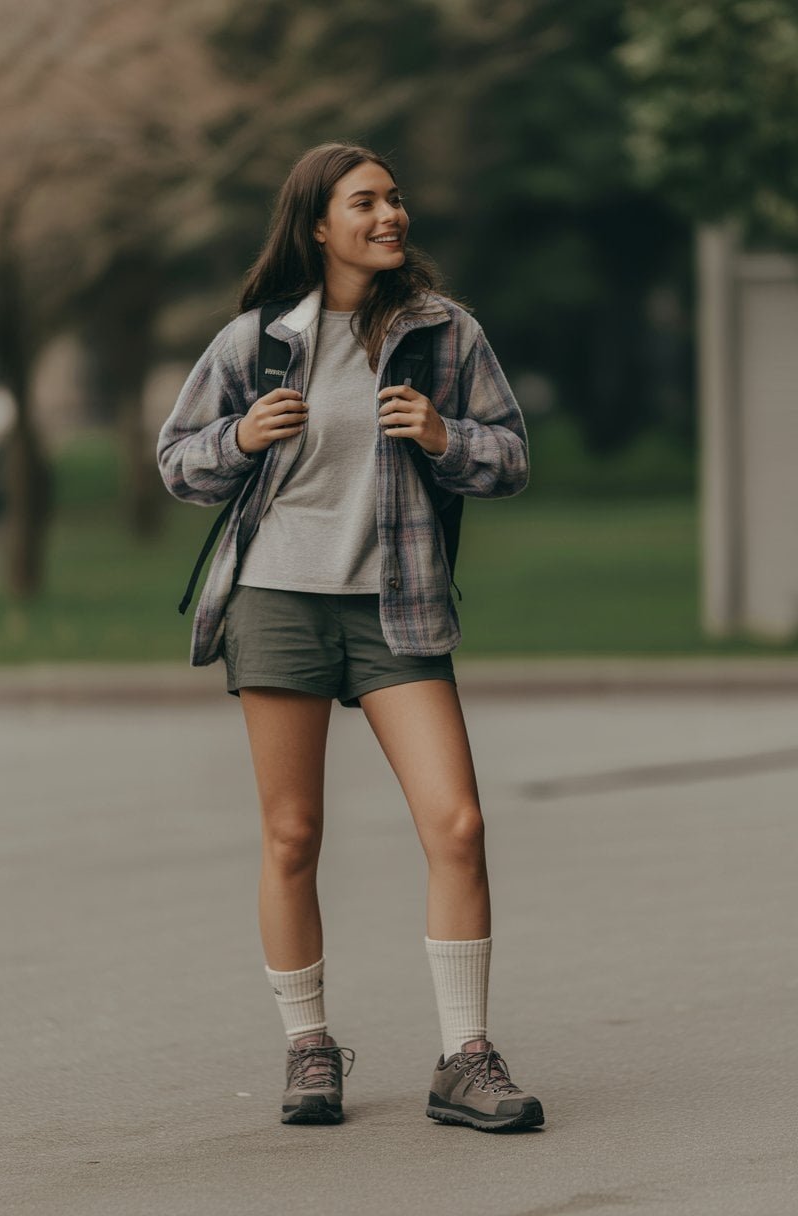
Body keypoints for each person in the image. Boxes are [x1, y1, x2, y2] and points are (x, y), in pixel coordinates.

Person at [157, 141, 544, 1133]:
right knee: (293, 835)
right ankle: (309, 1046)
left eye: (395, 198)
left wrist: (442, 435)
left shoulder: (441, 333)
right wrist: (239, 439)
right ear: (316, 224)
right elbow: (177, 461)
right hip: (278, 599)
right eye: (364, 201)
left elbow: (508, 457)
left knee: (457, 823)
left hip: (395, 603)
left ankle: (464, 1058)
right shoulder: (255, 341)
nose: (390, 214)